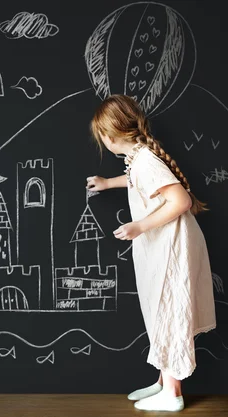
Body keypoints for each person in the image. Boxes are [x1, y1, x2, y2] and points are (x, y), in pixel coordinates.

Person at [86, 95, 216, 412]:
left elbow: (180, 201)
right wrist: (107, 183)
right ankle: (163, 381)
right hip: (165, 246)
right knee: (162, 310)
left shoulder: (145, 160)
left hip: (173, 246)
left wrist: (139, 226)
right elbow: (136, 181)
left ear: (111, 134)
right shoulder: (139, 160)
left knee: (171, 311)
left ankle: (172, 392)